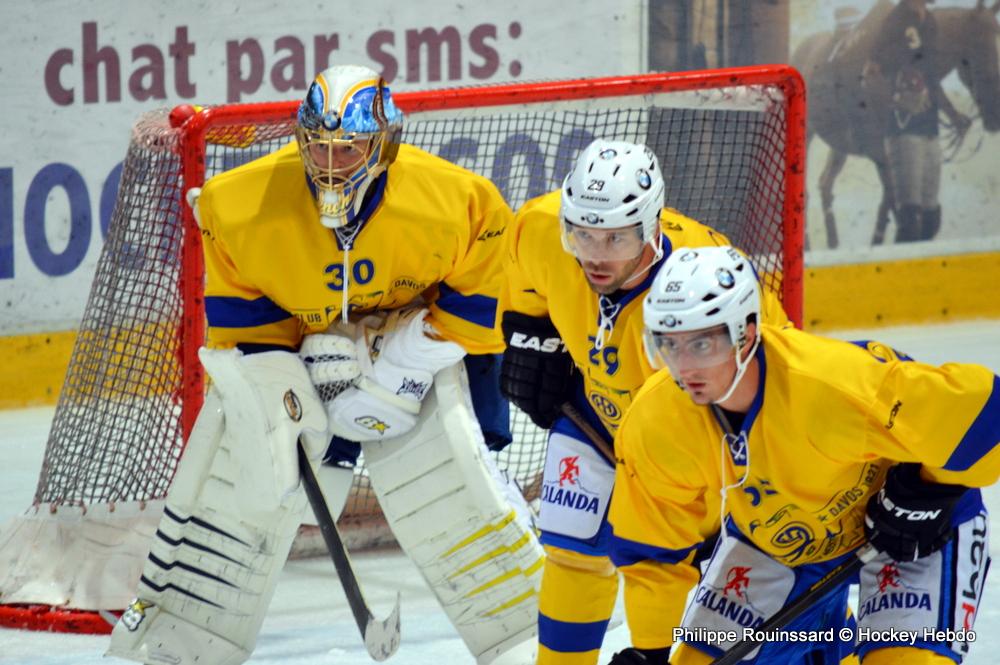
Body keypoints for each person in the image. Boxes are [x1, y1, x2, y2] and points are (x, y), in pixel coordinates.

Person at [107, 64, 542, 665]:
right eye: (319, 145)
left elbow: (475, 311)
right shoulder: (238, 206)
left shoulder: (458, 202)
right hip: (309, 350)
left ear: (385, 143)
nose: (331, 164)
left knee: (459, 471)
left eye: (350, 147)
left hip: (427, 342)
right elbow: (249, 332)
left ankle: (524, 636)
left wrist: (403, 367)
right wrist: (289, 405)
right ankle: (179, 639)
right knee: (249, 471)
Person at [608, 244, 998, 663]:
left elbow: (985, 413)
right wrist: (652, 652)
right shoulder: (656, 420)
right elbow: (650, 548)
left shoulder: (829, 385)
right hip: (774, 539)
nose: (685, 368)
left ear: (748, 333)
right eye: (668, 345)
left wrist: (926, 495)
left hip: (911, 532)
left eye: (703, 345)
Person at [496, 139, 791, 665]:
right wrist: (529, 336)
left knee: (659, 564)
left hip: (684, 446)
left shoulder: (708, 285)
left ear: (651, 227)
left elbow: (773, 379)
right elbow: (525, 279)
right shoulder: (540, 228)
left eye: (615, 238)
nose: (594, 256)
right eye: (582, 234)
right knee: (571, 549)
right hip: (594, 414)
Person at [862, 0, 971, 242]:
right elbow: (870, 72)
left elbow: (931, 78)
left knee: (931, 217)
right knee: (910, 217)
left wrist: (953, 115)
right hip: (904, 127)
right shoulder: (895, 19)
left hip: (929, 126)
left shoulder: (929, 21)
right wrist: (895, 99)